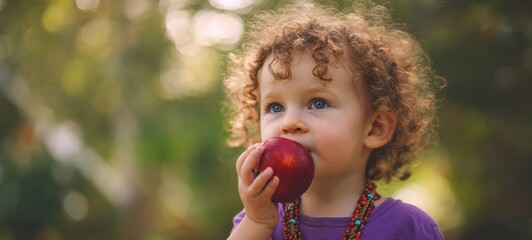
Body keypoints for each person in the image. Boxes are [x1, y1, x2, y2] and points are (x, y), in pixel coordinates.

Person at [223, 1, 445, 239]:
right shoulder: (258, 221)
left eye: (318, 103)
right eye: (275, 107)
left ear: (375, 128)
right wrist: (258, 222)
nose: (289, 122)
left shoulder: (407, 227)